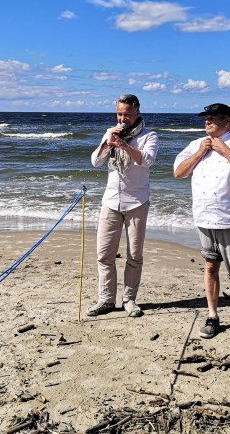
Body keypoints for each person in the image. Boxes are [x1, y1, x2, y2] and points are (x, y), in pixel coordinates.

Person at [173, 103, 230, 345]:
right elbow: (178, 172)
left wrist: (223, 149)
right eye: (206, 118)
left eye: (212, 118)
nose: (207, 122)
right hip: (204, 218)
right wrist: (199, 153)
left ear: (227, 121)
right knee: (210, 268)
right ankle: (213, 316)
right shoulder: (196, 144)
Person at [88, 94, 158, 318]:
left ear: (137, 112)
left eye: (127, 114)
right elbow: (95, 161)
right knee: (104, 254)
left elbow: (146, 160)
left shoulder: (149, 136)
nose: (122, 118)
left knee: (134, 254)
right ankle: (106, 299)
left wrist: (124, 145)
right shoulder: (111, 132)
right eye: (119, 114)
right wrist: (108, 144)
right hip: (110, 200)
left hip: (137, 201)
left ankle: (129, 299)